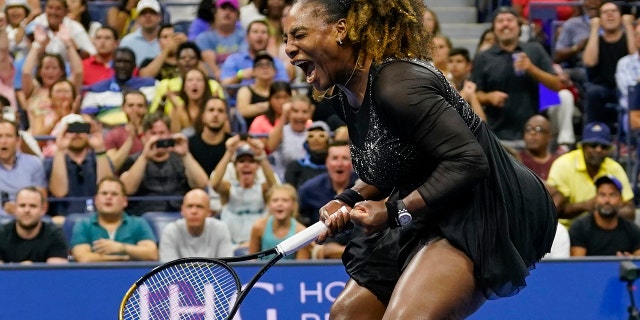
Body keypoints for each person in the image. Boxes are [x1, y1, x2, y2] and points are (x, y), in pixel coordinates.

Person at [283, 1, 556, 319]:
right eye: (287, 38)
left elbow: (469, 161)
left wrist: (392, 212)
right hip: (426, 201)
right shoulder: (345, 95)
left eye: (299, 35)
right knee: (347, 315)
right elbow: (392, 160)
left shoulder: (398, 86)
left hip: (488, 202)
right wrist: (348, 198)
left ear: (341, 30)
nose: (289, 48)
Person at [473, 6, 564, 150]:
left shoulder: (535, 49)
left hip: (532, 135)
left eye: (509, 20)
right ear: (494, 28)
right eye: (500, 21)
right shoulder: (483, 57)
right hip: (497, 136)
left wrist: (531, 68)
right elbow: (474, 93)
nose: (505, 24)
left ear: (519, 26)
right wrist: (489, 97)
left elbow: (556, 85)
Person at [119, 112, 209, 216]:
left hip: (181, 214)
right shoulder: (134, 160)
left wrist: (186, 155)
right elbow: (127, 190)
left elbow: (202, 184)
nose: (158, 137)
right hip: (144, 214)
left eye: (162, 133)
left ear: (170, 134)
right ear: (145, 135)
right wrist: (144, 157)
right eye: (153, 133)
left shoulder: (182, 159)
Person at [547, 122, 635, 226]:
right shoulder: (563, 164)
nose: (598, 150)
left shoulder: (615, 168)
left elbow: (630, 212)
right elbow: (554, 210)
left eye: (604, 146)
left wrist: (605, 209)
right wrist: (586, 206)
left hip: (605, 229)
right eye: (593, 145)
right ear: (583, 147)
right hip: (567, 229)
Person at [210, 135, 278, 247]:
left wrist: (261, 156)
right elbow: (214, 184)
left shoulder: (262, 189)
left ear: (257, 166)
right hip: (230, 246)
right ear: (235, 166)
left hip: (256, 246)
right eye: (241, 161)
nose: (246, 164)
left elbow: (275, 188)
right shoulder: (228, 189)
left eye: (251, 161)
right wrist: (229, 153)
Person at [70, 177, 158, 262]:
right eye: (104, 193)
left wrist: (120, 247)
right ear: (96, 200)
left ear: (124, 201)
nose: (108, 197)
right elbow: (83, 258)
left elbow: (152, 254)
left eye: (114, 194)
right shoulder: (83, 225)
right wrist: (122, 258)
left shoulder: (139, 223)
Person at [45, 114, 114, 216]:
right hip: (63, 217)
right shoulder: (51, 162)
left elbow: (108, 188)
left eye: (81, 129)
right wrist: (60, 150)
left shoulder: (100, 159)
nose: (77, 134)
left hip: (98, 217)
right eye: (71, 130)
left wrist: (100, 149)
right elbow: (59, 193)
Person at [569, 175, 640, 256]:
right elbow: (577, 266)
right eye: (602, 195)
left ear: (621, 200)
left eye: (612, 195)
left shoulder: (632, 230)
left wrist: (631, 261)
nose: (607, 200)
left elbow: (638, 262)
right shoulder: (579, 228)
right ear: (595, 198)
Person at [159, 189, 233, 262]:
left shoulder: (220, 228)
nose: (194, 211)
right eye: (189, 206)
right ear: (182, 210)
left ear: (209, 212)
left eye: (199, 206)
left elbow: (227, 265)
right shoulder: (170, 231)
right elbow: (168, 270)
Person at [0, 186, 68, 264]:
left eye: (33, 206)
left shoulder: (54, 234)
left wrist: (31, 270)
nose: (27, 210)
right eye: (22, 205)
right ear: (15, 209)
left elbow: (57, 272)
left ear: (43, 210)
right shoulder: (1, 234)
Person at [297, 140, 357, 227]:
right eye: (334, 158)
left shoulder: (365, 187)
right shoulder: (309, 189)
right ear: (327, 162)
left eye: (345, 158)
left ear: (352, 163)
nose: (339, 164)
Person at [248, 183, 311, 260]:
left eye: (285, 200)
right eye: (275, 200)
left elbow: (301, 267)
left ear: (294, 205)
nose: (279, 204)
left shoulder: (301, 233)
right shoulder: (258, 227)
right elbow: (251, 261)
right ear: (268, 205)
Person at [0, 119, 47, 216]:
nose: (3, 141)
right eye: (0, 136)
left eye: (8, 136)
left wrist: (18, 210)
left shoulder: (34, 164)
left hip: (26, 219)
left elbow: (43, 205)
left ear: (18, 141)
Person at [118, 0, 162, 66]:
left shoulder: (169, 40)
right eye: (143, 13)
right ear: (137, 18)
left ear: (159, 17)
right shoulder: (127, 42)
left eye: (152, 13)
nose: (148, 16)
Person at [518, 115, 559, 180]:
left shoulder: (558, 162)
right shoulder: (516, 160)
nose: (532, 133)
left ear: (549, 137)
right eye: (528, 129)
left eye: (539, 129)